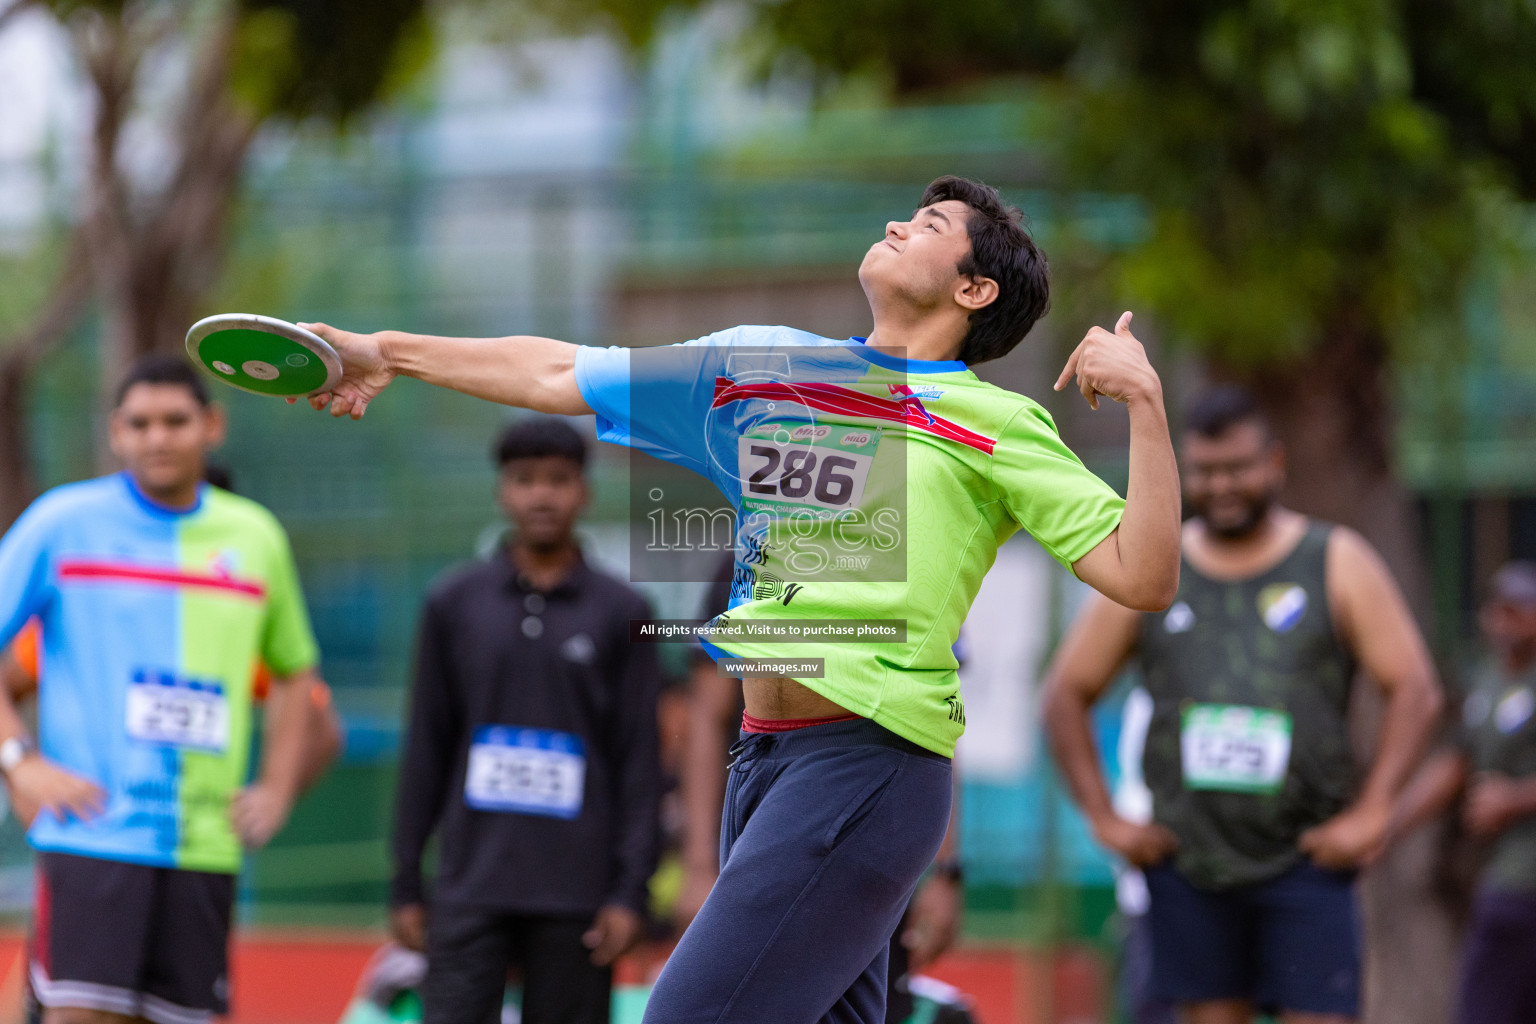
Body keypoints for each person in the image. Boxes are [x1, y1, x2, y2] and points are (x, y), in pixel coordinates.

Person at [297, 174, 1183, 1024]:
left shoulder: (996, 423)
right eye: (908, 214)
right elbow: (556, 372)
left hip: (868, 766)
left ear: (977, 289)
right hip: (761, 764)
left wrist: (1145, 403)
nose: (898, 226)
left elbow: (1142, 577)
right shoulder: (763, 366)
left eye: (932, 226)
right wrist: (388, 352)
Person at [1042, 385, 1442, 1024]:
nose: (1221, 485)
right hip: (1189, 860)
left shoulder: (1334, 560)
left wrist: (1376, 811)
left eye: (1237, 468)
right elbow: (1065, 692)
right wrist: (1105, 817)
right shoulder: (1155, 567)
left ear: (1273, 464)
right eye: (1204, 471)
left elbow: (1415, 688)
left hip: (1306, 857)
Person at [0, 354, 325, 1024]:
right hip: (91, 835)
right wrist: (18, 761)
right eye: (139, 423)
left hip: (203, 843)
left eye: (175, 421)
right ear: (115, 432)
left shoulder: (255, 535)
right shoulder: (63, 522)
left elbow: (298, 675)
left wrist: (278, 787)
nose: (158, 437)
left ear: (212, 425)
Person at [389, 417, 663, 1024]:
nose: (542, 495)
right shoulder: (453, 602)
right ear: (501, 492)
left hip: (578, 895)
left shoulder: (624, 611)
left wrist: (629, 892)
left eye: (559, 480)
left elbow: (639, 761)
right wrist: (407, 880)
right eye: (525, 479)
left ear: (584, 491)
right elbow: (427, 747)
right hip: (470, 885)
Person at [675, 556, 966, 1024]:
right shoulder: (752, 551)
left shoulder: (911, 553)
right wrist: (699, 863)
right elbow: (707, 718)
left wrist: (946, 871)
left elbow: (938, 722)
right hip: (766, 818)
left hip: (874, 812)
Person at [1389, 561, 1536, 1024]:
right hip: (1502, 869)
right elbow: (1457, 762)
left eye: (1519, 612)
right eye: (1498, 610)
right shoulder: (1491, 679)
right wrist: (1388, 823)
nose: (1503, 623)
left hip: (1521, 879)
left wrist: (1514, 799)